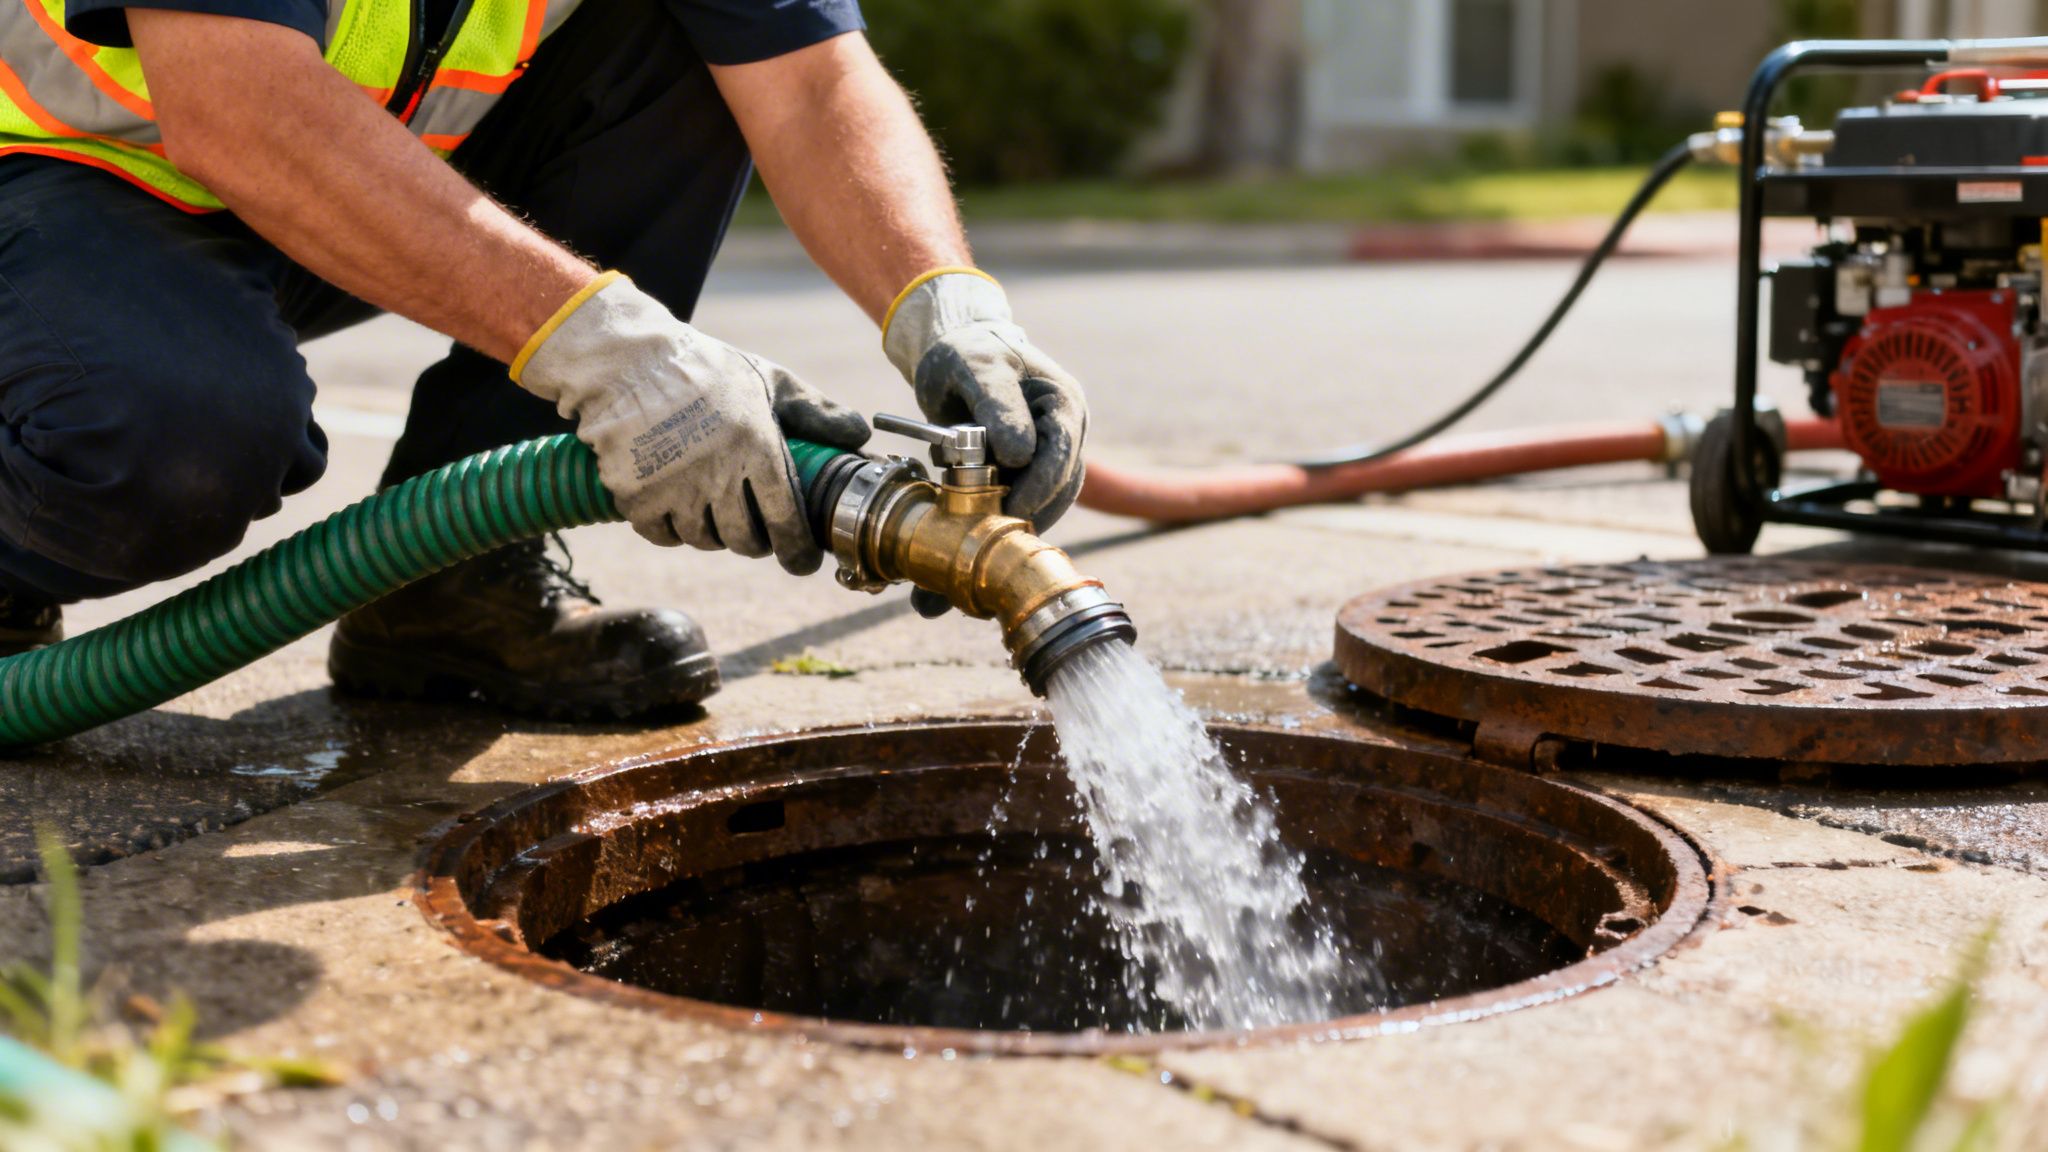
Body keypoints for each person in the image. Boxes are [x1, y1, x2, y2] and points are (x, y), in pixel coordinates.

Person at [0, 0, 1089, 719]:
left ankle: (453, 577)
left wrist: (948, 306)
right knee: (160, 445)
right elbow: (243, 107)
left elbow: (807, 83)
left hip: (307, 183)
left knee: (679, 30)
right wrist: (616, 353)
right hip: (49, 181)